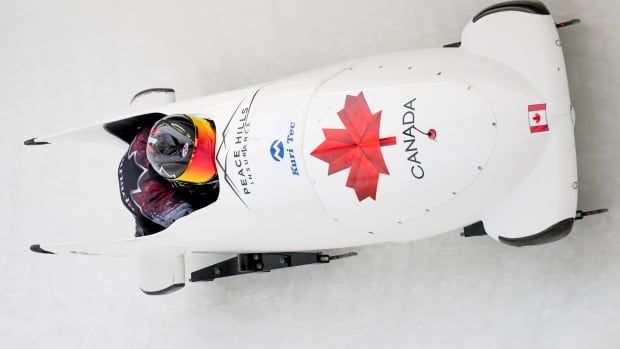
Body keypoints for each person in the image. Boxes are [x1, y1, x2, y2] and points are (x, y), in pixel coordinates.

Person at [117, 114, 219, 237]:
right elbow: (199, 228)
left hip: (139, 161)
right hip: (150, 218)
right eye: (200, 167)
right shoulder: (161, 204)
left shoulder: (164, 128)